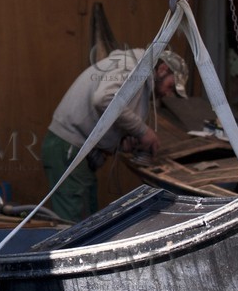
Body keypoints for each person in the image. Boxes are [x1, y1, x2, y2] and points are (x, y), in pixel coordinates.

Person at [42, 47, 188, 223]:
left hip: (76, 150)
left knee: (87, 221)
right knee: (73, 224)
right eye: (170, 86)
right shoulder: (133, 67)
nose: (167, 93)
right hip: (68, 146)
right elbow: (104, 99)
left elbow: (109, 111)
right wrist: (142, 131)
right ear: (163, 69)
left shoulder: (138, 72)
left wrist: (120, 140)